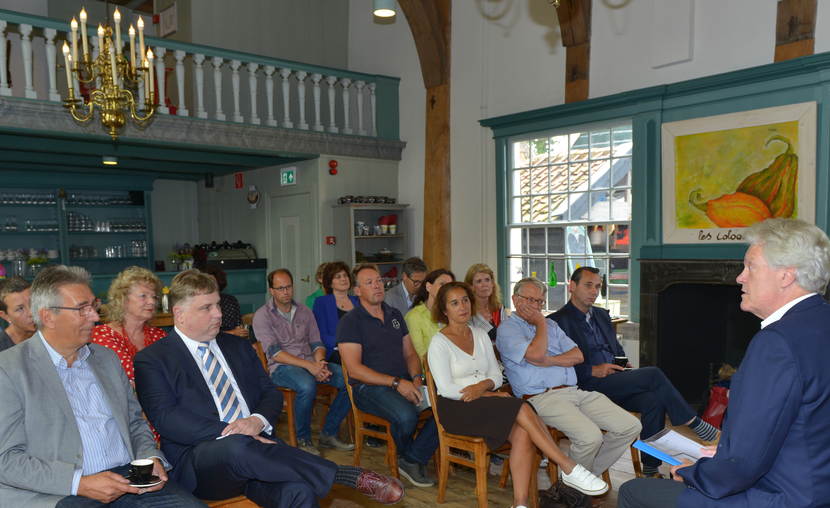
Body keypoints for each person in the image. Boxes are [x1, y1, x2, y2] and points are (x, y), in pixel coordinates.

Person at [134, 269, 403, 507]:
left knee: (300, 492)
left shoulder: (237, 346)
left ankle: (325, 475)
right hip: (202, 462)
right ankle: (344, 475)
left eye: (217, 304)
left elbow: (270, 393)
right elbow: (167, 419)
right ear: (179, 314)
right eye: (207, 308)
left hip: (259, 452)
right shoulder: (154, 359)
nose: (218, 314)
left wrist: (256, 421)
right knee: (235, 446)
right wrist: (236, 431)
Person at [618, 218, 830, 508]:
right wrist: (725, 451)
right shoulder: (820, 321)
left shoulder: (776, 343)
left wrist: (696, 473)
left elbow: (743, 465)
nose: (740, 278)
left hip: (781, 496)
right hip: (816, 485)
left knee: (635, 492)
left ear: (786, 275)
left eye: (750, 266)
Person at [0, 265, 203, 507]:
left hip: (130, 478)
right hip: (61, 491)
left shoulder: (105, 358)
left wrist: (149, 458)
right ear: (47, 316)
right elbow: (6, 460)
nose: (95, 317)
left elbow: (134, 422)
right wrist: (79, 483)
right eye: (81, 309)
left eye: (93, 306)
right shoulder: (9, 369)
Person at [427, 282, 608, 506]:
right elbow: (446, 389)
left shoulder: (480, 335)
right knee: (521, 406)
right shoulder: (439, 343)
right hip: (457, 407)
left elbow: (495, 375)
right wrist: (489, 395)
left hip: (483, 402)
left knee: (522, 431)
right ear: (444, 310)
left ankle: (520, 504)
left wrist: (484, 388)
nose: (462, 306)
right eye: (455, 303)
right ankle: (567, 466)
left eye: (465, 300)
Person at [549, 266, 719, 477]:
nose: (594, 291)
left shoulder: (601, 315)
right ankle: (694, 422)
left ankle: (650, 467)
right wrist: (592, 370)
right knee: (653, 374)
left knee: (653, 401)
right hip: (587, 385)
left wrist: (624, 363)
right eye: (588, 285)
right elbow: (558, 364)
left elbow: (615, 348)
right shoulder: (557, 321)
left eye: (598, 286)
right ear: (572, 287)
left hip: (614, 379)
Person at [496, 277, 641, 478]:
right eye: (530, 299)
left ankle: (581, 479)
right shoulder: (508, 329)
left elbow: (578, 356)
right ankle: (579, 485)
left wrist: (548, 360)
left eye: (539, 302)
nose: (535, 306)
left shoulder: (551, 325)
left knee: (630, 426)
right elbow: (536, 355)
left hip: (574, 391)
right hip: (540, 398)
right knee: (590, 437)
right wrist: (540, 324)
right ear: (515, 299)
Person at [338, 263, 439, 488]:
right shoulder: (350, 322)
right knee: (406, 417)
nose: (377, 286)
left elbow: (411, 353)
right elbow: (354, 369)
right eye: (369, 282)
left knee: (446, 405)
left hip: (402, 382)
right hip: (368, 388)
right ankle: (410, 458)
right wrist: (396, 383)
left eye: (379, 281)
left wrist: (415, 378)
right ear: (357, 291)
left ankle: (411, 457)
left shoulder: (394, 315)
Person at [253, 268, 353, 456]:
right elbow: (275, 353)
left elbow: (316, 343)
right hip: (282, 368)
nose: (285, 292)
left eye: (288, 287)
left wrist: (321, 363)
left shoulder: (304, 311)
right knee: (307, 386)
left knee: (349, 379)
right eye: (280, 288)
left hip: (311, 362)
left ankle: (328, 433)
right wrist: (311, 367)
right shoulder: (263, 315)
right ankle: (304, 439)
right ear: (272, 291)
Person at [91, 266, 167, 382]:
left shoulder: (159, 336)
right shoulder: (102, 336)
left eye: (154, 297)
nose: (152, 302)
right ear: (123, 299)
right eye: (143, 296)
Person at [312, 261, 359, 362]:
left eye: (345, 275)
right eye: (338, 277)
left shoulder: (358, 301)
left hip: (361, 348)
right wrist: (347, 344)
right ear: (330, 283)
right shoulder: (321, 303)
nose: (343, 279)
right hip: (336, 351)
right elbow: (321, 334)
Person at [404, 268, 454, 358]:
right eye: (442, 284)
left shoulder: (452, 314)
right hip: (428, 369)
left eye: (450, 286)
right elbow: (419, 356)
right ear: (428, 287)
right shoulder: (414, 316)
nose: (446, 289)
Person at [464, 263, 508, 339]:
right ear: (471, 287)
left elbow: (508, 336)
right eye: (479, 281)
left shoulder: (499, 309)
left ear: (492, 283)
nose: (484, 284)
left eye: (487, 280)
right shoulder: (467, 312)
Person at [204, 265, 248, 338]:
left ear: (219, 283)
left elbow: (238, 325)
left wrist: (239, 331)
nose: (210, 286)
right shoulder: (201, 304)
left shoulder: (230, 300)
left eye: (213, 282)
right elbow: (203, 332)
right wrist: (231, 333)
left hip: (232, 340)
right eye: (207, 283)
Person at [0, 275, 36, 352]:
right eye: (20, 309)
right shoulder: (2, 349)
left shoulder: (51, 336)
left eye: (32, 303)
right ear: (5, 316)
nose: (31, 313)